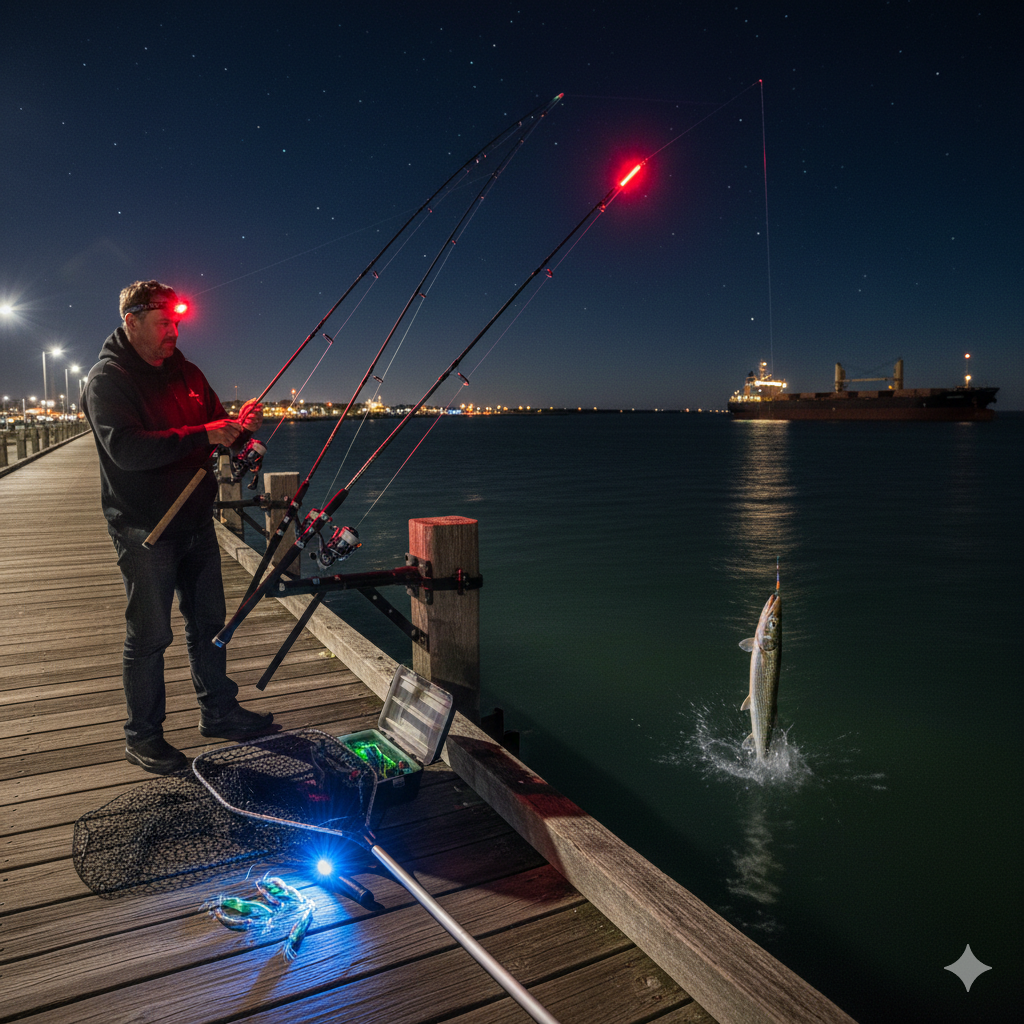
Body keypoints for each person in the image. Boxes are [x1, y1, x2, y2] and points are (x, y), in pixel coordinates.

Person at [83, 280, 274, 774]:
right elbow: (126, 449)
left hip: (196, 522)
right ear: (133, 321)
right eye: (164, 323)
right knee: (149, 636)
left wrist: (237, 427)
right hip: (144, 528)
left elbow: (214, 427)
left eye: (177, 323)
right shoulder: (107, 379)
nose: (174, 332)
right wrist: (204, 433)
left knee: (210, 624)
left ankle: (218, 710)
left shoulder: (186, 370)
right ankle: (143, 736)